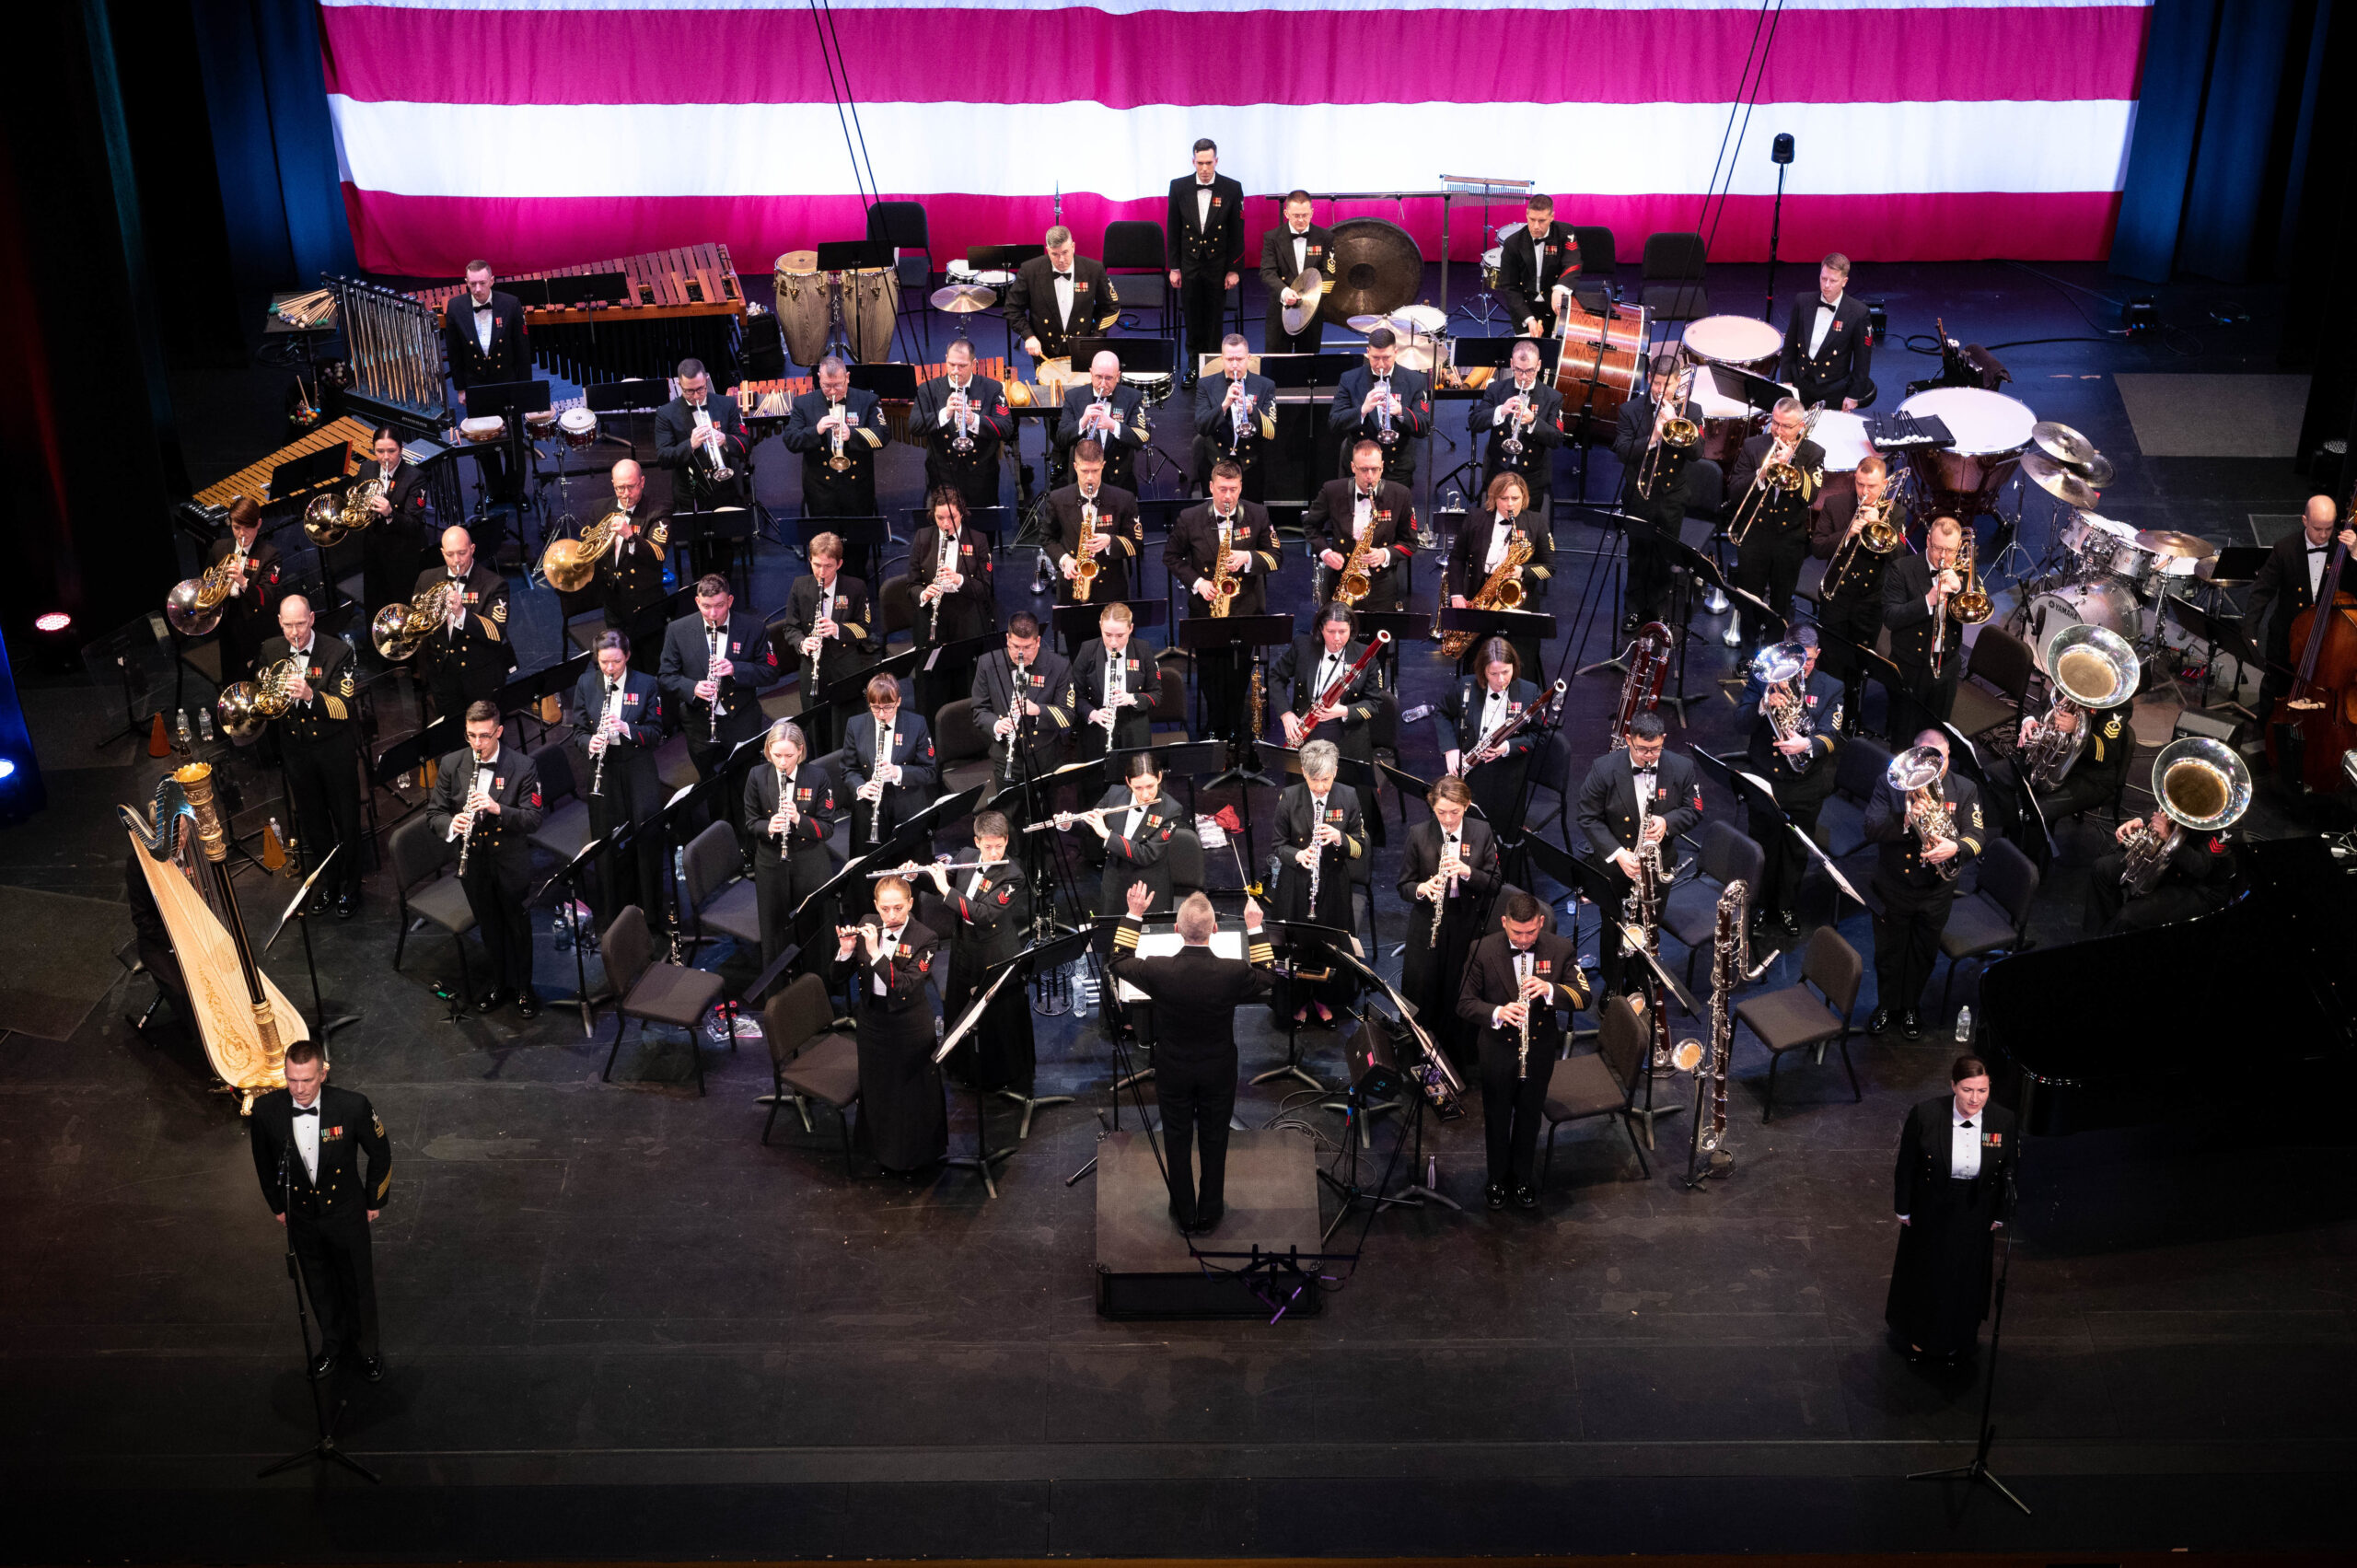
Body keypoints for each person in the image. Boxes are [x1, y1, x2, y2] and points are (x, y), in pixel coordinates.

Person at [1107, 887, 1275, 1234]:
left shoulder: (1158, 969)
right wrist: (1255, 927)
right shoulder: (1232, 972)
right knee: (1215, 1139)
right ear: (1215, 930)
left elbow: (1119, 960)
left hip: (1174, 1068)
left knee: (1177, 1138)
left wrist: (1134, 914)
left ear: (1176, 930)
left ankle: (1184, 1211)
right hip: (1218, 1068)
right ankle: (1210, 1210)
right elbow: (1269, 975)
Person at [248, 1038, 391, 1382]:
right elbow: (264, 1165)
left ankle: (367, 1350)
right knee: (318, 1284)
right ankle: (332, 1346)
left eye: (307, 1080)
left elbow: (381, 1153)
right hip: (302, 1216)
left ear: (323, 1073)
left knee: (357, 1284)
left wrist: (374, 1200)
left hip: (346, 1212)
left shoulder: (353, 1106)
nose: (298, 1089)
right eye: (291, 1079)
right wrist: (277, 1207)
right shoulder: (267, 1111)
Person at [1457, 889, 1589, 1210]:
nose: (1524, 939)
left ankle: (1523, 1178)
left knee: (1530, 1116)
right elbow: (1464, 1003)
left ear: (1541, 922)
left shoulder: (1560, 949)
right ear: (1504, 923)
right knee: (1497, 1117)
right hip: (1497, 1051)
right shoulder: (1482, 949)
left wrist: (1549, 989)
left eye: (1531, 931)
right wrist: (1497, 1013)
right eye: (1517, 932)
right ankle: (1497, 1179)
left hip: (1539, 1048)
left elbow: (1583, 997)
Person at [1887, 1055, 2015, 1365]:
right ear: (1953, 1086)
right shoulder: (1927, 1114)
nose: (1975, 1099)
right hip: (1932, 1205)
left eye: (1982, 1091)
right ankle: (1920, 1338)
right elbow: (1907, 1166)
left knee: (1965, 1276)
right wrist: (1903, 1207)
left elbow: (2009, 1169)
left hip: (1976, 1209)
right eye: (1968, 1090)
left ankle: (1958, 1337)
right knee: (1929, 1272)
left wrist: (2000, 1213)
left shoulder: (2003, 1120)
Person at [427, 699, 544, 1016]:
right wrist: (452, 824)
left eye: (484, 736)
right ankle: (499, 984)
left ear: (499, 732)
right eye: (471, 736)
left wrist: (497, 809)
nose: (477, 743)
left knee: (517, 928)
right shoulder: (452, 764)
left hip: (509, 861)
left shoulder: (523, 766)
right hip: (474, 864)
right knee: (490, 927)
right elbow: (434, 812)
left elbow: (533, 818)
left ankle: (524, 988)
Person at [1863, 728, 1983, 1038]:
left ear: (1947, 757)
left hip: (1935, 891)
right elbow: (1871, 828)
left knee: (1923, 952)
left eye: (1938, 760)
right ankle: (1888, 1006)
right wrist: (1905, 821)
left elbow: (1977, 835)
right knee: (1889, 952)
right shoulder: (1887, 785)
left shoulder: (1965, 788)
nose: (1932, 768)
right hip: (1893, 886)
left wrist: (1956, 847)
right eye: (1925, 759)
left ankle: (1912, 1007)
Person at [1575, 710, 1703, 998]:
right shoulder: (1604, 768)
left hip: (1657, 867)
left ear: (1664, 740)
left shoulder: (1681, 767)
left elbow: (1694, 809)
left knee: (1649, 926)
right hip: (1616, 866)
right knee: (1613, 927)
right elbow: (1587, 817)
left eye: (1655, 749)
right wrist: (1619, 854)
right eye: (1642, 749)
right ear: (1628, 739)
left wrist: (1668, 822)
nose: (1649, 756)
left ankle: (1641, 981)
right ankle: (1614, 986)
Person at [831, 876, 946, 1174]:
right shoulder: (869, 922)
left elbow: (904, 986)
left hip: (909, 1027)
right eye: (885, 909)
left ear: (910, 904)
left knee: (909, 1096)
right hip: (872, 1023)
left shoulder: (925, 938)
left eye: (898, 908)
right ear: (875, 907)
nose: (891, 916)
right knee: (878, 1088)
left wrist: (876, 953)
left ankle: (913, 1158)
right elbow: (836, 976)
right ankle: (880, 1152)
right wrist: (845, 950)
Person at [260, 595, 365, 919]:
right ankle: (328, 882)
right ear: (279, 622)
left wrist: (310, 695)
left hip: (333, 750)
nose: (295, 633)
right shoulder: (270, 649)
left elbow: (344, 708)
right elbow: (262, 695)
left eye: (301, 624)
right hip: (297, 752)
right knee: (313, 822)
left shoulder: (339, 652)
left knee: (346, 820)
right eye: (289, 625)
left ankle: (352, 886)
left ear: (313, 619)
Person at [914, 811, 1034, 1092]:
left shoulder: (1013, 875)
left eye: (999, 846)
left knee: (995, 1017)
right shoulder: (966, 855)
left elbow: (981, 914)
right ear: (977, 841)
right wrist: (917, 875)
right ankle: (964, 1068)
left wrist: (945, 889)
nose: (994, 853)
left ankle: (1000, 1075)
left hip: (995, 952)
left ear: (1006, 841)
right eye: (988, 846)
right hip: (964, 947)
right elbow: (941, 886)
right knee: (960, 1008)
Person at [1165, 460, 1282, 743]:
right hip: (1205, 610)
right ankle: (1216, 725)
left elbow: (1277, 557)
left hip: (1245, 608)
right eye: (1222, 490)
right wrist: (1198, 582)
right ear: (1211, 487)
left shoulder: (1257, 513)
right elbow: (1171, 556)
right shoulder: (1190, 517)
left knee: (1238, 671)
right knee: (1209, 671)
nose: (1227, 496)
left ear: (1241, 487)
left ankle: (1235, 727)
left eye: (1233, 489)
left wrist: (1249, 558)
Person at [1741, 629, 1843, 935]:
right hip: (1766, 778)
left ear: (1817, 655)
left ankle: (1786, 906)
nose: (1804, 667)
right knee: (1763, 845)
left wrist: (1806, 745)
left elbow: (1832, 735)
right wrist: (1763, 705)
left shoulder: (1831, 687)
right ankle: (1758, 905)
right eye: (1799, 660)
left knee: (1796, 850)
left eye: (1810, 660)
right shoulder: (1763, 678)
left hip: (1805, 783)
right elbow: (1740, 722)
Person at [571, 632, 669, 930]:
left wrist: (626, 727)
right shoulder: (586, 684)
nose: (610, 668)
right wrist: (589, 742)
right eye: (604, 662)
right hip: (604, 771)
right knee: (608, 842)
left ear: (626, 657)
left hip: (637, 767)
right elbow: (577, 730)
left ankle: (651, 916)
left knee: (645, 838)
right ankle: (615, 918)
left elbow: (656, 733)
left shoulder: (646, 683)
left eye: (615, 661)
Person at [1399, 775, 1500, 1063]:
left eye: (1454, 812)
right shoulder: (1419, 834)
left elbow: (1495, 883)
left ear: (1466, 806)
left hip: (1465, 921)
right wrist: (1421, 888)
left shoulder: (1481, 832)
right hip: (1426, 922)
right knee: (1423, 989)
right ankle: (1419, 1055)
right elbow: (1403, 885)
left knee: (1458, 989)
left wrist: (1467, 872)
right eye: (1440, 812)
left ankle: (1457, 1058)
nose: (1447, 819)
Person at [1612, 354, 1709, 635]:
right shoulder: (1630, 410)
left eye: (1667, 385)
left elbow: (1697, 453)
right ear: (1649, 379)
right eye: (1656, 383)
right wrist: (1654, 437)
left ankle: (1658, 611)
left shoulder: (1692, 410)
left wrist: (1675, 420)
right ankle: (1633, 609)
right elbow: (1622, 452)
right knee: (1638, 554)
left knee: (1664, 557)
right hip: (1639, 494)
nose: (1661, 390)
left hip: (1672, 496)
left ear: (1678, 383)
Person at [1271, 738, 1364, 1024]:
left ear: (1335, 772)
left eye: (1325, 779)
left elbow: (1360, 848)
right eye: (1314, 780)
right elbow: (1278, 845)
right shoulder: (1289, 797)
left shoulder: (1348, 797)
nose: (1320, 786)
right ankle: (1297, 999)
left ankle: (1326, 999)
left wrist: (1340, 838)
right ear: (1303, 772)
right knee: (1296, 947)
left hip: (1334, 885)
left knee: (1330, 947)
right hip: (1297, 885)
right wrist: (1299, 855)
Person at [1811, 453, 1905, 726]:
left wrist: (1881, 525)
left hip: (1869, 604)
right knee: (1830, 661)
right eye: (1861, 484)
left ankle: (1850, 718)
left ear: (1885, 484)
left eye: (1872, 486)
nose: (1865, 492)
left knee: (1858, 664)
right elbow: (1817, 548)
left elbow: (1899, 560)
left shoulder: (1896, 512)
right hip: (1836, 597)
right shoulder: (1835, 504)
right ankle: (1824, 717)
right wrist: (1849, 533)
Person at [2243, 493, 2357, 714]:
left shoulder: (2342, 547)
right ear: (2305, 521)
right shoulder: (2285, 549)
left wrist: (2355, 554)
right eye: (2317, 528)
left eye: (2329, 528)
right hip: (2287, 634)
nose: (2324, 535)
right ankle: (2267, 735)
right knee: (2276, 689)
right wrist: (2250, 632)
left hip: (2329, 637)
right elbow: (2261, 592)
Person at [1727, 396, 1827, 652]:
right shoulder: (1753, 446)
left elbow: (1811, 497)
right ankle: (1748, 653)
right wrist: (1760, 474)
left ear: (1801, 427)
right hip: (1755, 536)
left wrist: (1793, 464)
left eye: (1786, 426)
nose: (1779, 431)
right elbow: (1734, 491)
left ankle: (1775, 654)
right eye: (1775, 423)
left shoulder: (1813, 453)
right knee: (1749, 598)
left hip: (1788, 541)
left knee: (1781, 603)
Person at [745, 718, 841, 975]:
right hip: (771, 862)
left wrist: (799, 819)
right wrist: (769, 827)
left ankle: (818, 985)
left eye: (789, 755)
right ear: (768, 752)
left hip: (809, 859)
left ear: (800, 751)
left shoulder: (818, 777)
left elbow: (827, 829)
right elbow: (751, 822)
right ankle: (778, 989)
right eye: (776, 755)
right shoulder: (757, 775)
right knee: (774, 928)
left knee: (814, 924)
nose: (783, 762)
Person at [660, 574, 776, 783]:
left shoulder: (753, 628)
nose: (713, 614)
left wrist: (735, 669)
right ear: (697, 602)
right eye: (706, 606)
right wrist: (692, 688)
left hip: (742, 720)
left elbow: (770, 673)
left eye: (720, 606)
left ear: (730, 601)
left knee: (747, 780)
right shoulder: (677, 630)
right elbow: (666, 676)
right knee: (711, 785)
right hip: (699, 724)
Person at [779, 530, 877, 754]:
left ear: (839, 563)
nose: (821, 572)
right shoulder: (800, 586)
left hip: (845, 667)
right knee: (815, 727)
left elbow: (865, 629)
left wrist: (837, 629)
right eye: (816, 565)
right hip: (813, 668)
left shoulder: (855, 587)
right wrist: (803, 643)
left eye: (828, 566)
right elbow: (790, 627)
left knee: (846, 725)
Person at [443, 260, 529, 511]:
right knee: (483, 442)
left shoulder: (510, 303)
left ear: (492, 280)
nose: (478, 289)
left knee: (513, 440)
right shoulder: (456, 307)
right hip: (476, 385)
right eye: (472, 284)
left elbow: (522, 350)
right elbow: (455, 352)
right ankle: (494, 490)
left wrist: (524, 390)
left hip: (507, 382)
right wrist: (460, 389)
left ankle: (516, 491)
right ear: (466, 282)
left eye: (482, 283)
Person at [1447, 472, 1552, 677]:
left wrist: (1522, 571)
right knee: (1478, 659)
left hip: (1518, 601)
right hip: (1481, 595)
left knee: (1520, 660)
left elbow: (1550, 567)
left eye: (1515, 498)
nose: (1510, 504)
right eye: (1504, 498)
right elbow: (1457, 558)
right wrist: (1457, 595)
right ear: (1494, 498)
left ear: (1524, 498)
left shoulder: (1537, 522)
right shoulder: (1476, 518)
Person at [971, 610, 1073, 818]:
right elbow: (979, 710)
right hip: (1005, 757)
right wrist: (996, 725)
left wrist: (1037, 710)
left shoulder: (1058, 666)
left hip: (1044, 757)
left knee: (1044, 817)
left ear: (1037, 641)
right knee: (1010, 819)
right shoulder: (987, 663)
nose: (1021, 654)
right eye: (1015, 646)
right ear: (1007, 638)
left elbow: (1068, 715)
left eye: (1027, 647)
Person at [1435, 638, 1543, 830]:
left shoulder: (1529, 692)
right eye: (1493, 673)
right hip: (1471, 773)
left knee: (1503, 831)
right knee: (1468, 828)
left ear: (1514, 667)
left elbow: (1539, 736)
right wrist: (1451, 749)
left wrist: (1507, 747)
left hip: (1508, 776)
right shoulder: (1466, 686)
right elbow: (1442, 712)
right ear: (1482, 671)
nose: (1501, 680)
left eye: (1506, 672)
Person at [909, 484, 997, 719]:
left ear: (962, 514)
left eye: (952, 517)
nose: (946, 524)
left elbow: (985, 589)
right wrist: (924, 593)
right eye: (940, 518)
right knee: (932, 688)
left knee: (963, 686)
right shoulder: (922, 538)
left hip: (964, 624)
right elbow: (911, 585)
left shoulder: (978, 540)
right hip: (931, 625)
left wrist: (960, 580)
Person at [411, 525, 514, 723]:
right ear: (442, 553)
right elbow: (417, 620)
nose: (456, 560)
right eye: (450, 554)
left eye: (462, 553)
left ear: (472, 549)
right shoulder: (427, 578)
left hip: (479, 677)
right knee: (452, 734)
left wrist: (461, 613)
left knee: (484, 734)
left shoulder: (494, 584)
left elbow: (496, 632)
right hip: (443, 676)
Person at [2083, 807, 2239, 935]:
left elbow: (2201, 867)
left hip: (2201, 887)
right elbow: (2163, 808)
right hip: (2171, 863)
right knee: (2102, 869)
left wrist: (2169, 836)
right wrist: (2139, 821)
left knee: (2129, 915)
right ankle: (2099, 934)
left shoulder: (2229, 822)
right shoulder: (2194, 791)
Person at [1304, 441, 1416, 613]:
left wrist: (1385, 554)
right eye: (1363, 470)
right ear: (1353, 467)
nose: (1370, 476)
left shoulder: (1400, 494)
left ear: (1382, 467)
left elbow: (1410, 543)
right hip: (1340, 578)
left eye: (1375, 469)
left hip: (1381, 584)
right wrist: (1325, 553)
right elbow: (1311, 525)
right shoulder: (1333, 490)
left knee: (1378, 636)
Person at [1069, 750, 1182, 919]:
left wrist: (1108, 835)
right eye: (1138, 788)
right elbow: (1090, 826)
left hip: (1148, 890)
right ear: (1128, 782)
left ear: (1159, 777)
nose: (1145, 795)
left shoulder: (1171, 809)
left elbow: (1147, 854)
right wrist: (1068, 824)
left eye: (1150, 786)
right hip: (1115, 886)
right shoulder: (1114, 794)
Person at [1165, 138, 1245, 376]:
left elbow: (1237, 232)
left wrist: (1234, 269)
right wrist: (1175, 267)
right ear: (1193, 161)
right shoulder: (1178, 187)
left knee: (1214, 317)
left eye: (1209, 163)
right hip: (1189, 263)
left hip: (1217, 264)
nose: (1205, 169)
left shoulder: (1231, 187)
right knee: (1192, 315)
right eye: (1200, 163)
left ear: (1216, 161)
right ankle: (1192, 366)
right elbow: (1173, 229)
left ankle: (1212, 368)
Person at [1273, 601, 1381, 774]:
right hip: (1306, 734)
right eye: (1331, 631)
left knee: (1347, 796)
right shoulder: (1302, 646)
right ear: (1320, 629)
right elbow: (1276, 677)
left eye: (1343, 631)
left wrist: (1344, 710)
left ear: (1351, 629)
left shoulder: (1366, 656)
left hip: (1346, 739)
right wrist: (1286, 714)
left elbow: (1374, 703)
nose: (1337, 638)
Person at [1884, 515, 1969, 733]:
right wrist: (1928, 601)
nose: (1943, 556)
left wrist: (1959, 590)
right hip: (1910, 667)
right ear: (1928, 540)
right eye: (1938, 548)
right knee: (1904, 731)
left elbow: (1977, 611)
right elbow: (1891, 617)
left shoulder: (1965, 571)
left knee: (1936, 732)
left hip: (1946, 668)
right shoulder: (1901, 568)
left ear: (1959, 546)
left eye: (1950, 550)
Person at [842, 674, 939, 858]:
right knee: (871, 863)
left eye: (888, 707)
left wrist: (898, 771)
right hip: (870, 806)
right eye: (875, 707)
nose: (881, 714)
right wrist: (861, 788)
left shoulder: (916, 724)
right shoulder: (856, 725)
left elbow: (929, 771)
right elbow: (848, 769)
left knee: (910, 861)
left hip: (907, 803)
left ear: (899, 701)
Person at [911, 339, 1014, 512]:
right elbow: (914, 426)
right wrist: (944, 414)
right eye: (951, 364)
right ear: (945, 359)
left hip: (981, 476)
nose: (955, 371)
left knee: (982, 533)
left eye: (962, 366)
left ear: (974, 364)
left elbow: (1006, 427)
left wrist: (974, 420)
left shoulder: (992, 388)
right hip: (942, 475)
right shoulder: (928, 389)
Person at [1470, 338, 1567, 519]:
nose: (1523, 376)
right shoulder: (1496, 390)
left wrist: (1533, 422)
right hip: (1499, 470)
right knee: (1493, 524)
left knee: (1526, 530)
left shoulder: (1552, 397)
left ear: (1538, 366)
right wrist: (1500, 411)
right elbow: (1474, 422)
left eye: (1529, 370)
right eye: (1518, 370)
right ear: (1511, 364)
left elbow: (1556, 438)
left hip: (1531, 476)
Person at [782, 355, 888, 518]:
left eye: (838, 385)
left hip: (857, 488)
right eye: (826, 386)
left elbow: (883, 435)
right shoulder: (803, 403)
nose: (832, 392)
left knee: (857, 541)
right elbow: (790, 440)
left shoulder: (867, 400)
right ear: (819, 378)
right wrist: (815, 430)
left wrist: (852, 435)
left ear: (847, 378)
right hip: (820, 490)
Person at [1004, 225, 1119, 368]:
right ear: (1047, 250)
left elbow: (1112, 307)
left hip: (1082, 345)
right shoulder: (1029, 271)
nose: (1061, 260)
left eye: (1065, 252)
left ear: (1073, 246)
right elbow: (1012, 309)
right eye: (1055, 254)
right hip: (1045, 349)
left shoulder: (1094, 269)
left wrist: (1097, 336)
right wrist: (1028, 336)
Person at [1046, 439, 1145, 605]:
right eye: (1085, 471)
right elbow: (1047, 537)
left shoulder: (1124, 499)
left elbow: (1136, 543)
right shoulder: (1058, 498)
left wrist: (1110, 541)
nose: (1090, 478)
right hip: (1071, 586)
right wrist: (1064, 560)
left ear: (1103, 465)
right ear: (1076, 467)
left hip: (1111, 588)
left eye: (1095, 470)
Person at [2019, 691, 2136, 830]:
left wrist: (2077, 728)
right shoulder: (2073, 680)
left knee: (2035, 813)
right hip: (2055, 756)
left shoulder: (2119, 702)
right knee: (1997, 775)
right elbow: (2043, 706)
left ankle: (2026, 850)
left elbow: (2105, 752)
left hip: (2091, 775)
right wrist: (2030, 721)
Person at [655, 356, 752, 522]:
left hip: (725, 491)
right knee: (696, 547)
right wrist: (690, 445)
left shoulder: (727, 404)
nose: (696, 396)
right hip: (690, 494)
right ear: (679, 385)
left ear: (707, 380)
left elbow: (746, 444)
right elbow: (663, 457)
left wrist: (725, 439)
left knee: (728, 546)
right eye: (689, 391)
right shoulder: (666, 414)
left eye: (701, 389)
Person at [596, 459, 671, 669]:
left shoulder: (659, 510)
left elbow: (657, 554)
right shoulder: (600, 509)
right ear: (613, 484)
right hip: (614, 603)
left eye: (631, 486)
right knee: (620, 660)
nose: (626, 493)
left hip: (646, 603)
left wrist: (630, 536)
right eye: (620, 487)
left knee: (650, 662)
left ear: (642, 482)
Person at [1332, 328, 1433, 485]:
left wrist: (1401, 412)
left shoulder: (1415, 380)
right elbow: (1334, 423)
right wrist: (1362, 410)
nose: (1380, 365)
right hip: (1359, 467)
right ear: (1367, 352)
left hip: (1396, 466)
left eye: (1386, 358)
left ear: (1396, 352)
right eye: (1375, 358)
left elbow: (1425, 427)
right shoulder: (1349, 379)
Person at [1778, 253, 1871, 412]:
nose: (1826, 285)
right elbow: (1790, 345)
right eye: (1823, 278)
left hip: (1833, 390)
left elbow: (1862, 360)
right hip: (1800, 383)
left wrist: (1853, 395)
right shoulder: (1803, 301)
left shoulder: (1858, 312)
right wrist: (1786, 381)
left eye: (1833, 281)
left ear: (1844, 281)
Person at [356, 425, 434, 615]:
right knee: (375, 602)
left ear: (401, 450)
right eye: (379, 451)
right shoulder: (366, 469)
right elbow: (355, 498)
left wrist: (390, 513)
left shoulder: (415, 478)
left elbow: (414, 524)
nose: (385, 457)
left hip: (401, 554)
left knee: (401, 603)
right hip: (374, 551)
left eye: (391, 451)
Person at [205, 498, 283, 683]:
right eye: (236, 527)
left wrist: (243, 581)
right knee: (232, 680)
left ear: (259, 524)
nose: (241, 534)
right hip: (228, 626)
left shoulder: (270, 555)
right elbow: (207, 582)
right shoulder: (219, 548)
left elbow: (268, 600)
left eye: (247, 527)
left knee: (258, 681)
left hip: (256, 627)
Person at [1193, 334, 1278, 499]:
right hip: (1214, 462)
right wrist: (1224, 404)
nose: (1234, 365)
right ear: (1222, 358)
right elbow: (1201, 426)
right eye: (1229, 359)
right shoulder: (1206, 385)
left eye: (1239, 359)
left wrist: (1251, 410)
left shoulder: (1265, 385)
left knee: (1249, 518)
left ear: (1248, 358)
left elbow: (1271, 432)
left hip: (1249, 465)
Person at [1052, 351, 1147, 493]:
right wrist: (1082, 422)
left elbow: (1140, 439)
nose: (1103, 384)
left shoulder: (1133, 397)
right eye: (1098, 377)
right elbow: (1060, 439)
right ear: (1091, 373)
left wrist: (1113, 425)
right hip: (1082, 482)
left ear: (1118, 376)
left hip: (1119, 482)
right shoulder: (1073, 397)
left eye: (1109, 378)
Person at [1072, 602, 1157, 758]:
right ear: (1100, 626)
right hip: (1097, 727)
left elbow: (1156, 695)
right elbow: (1074, 696)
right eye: (1108, 635)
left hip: (1133, 727)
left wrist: (1133, 698)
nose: (1113, 643)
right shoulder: (1087, 650)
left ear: (1130, 629)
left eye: (1120, 636)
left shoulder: (1143, 650)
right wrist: (1092, 714)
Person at [1259, 192, 1337, 354]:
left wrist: (1310, 299)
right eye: (1296, 215)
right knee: (1277, 363)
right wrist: (1285, 292)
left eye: (1305, 215)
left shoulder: (1325, 237)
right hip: (1280, 310)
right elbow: (1267, 272)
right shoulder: (1272, 237)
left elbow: (1329, 275)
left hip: (1312, 312)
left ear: (1312, 213)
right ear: (1286, 213)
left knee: (1308, 365)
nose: (1301, 220)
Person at [1496, 194, 1582, 340]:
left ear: (1552, 217)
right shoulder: (1513, 243)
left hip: (1556, 303)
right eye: (1532, 220)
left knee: (1559, 350)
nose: (1536, 226)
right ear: (1526, 214)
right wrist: (1529, 319)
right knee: (1527, 353)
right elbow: (1509, 287)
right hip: (1525, 306)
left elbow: (1573, 263)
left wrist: (1559, 290)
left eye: (1542, 221)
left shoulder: (1565, 233)